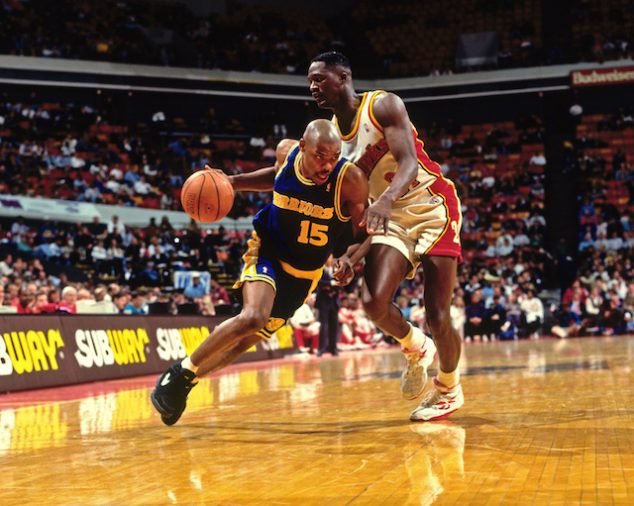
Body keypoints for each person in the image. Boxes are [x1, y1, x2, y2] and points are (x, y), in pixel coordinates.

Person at [151, 119, 369, 425]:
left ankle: (185, 382)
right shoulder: (286, 154)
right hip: (268, 249)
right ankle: (178, 374)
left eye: (334, 157)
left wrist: (349, 258)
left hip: (304, 274)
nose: (327, 165)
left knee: (246, 339)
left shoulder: (350, 180)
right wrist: (233, 182)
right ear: (302, 147)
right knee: (253, 316)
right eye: (320, 156)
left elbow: (368, 231)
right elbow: (276, 176)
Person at [307, 51, 462, 421]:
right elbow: (366, 214)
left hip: (430, 205)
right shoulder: (334, 140)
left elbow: (408, 161)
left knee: (438, 315)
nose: (313, 87)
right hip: (389, 216)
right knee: (372, 302)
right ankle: (415, 347)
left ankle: (449, 389)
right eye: (310, 82)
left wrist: (386, 201)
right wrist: (349, 257)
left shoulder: (383, 105)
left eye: (320, 79)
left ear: (343, 77)